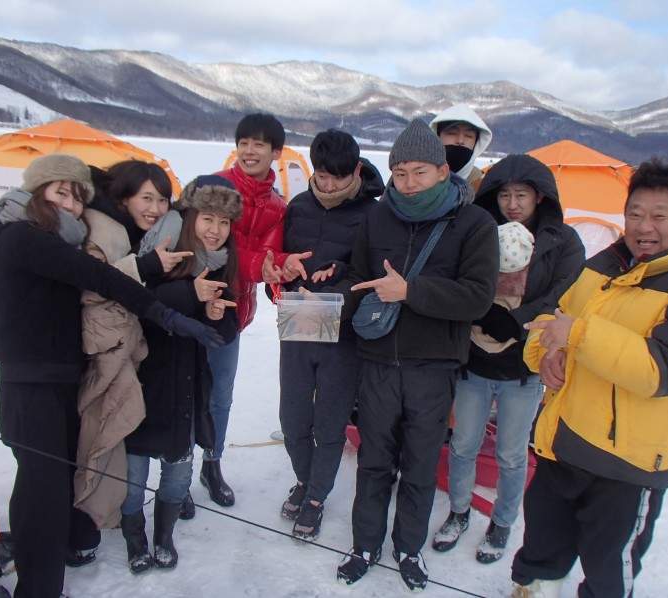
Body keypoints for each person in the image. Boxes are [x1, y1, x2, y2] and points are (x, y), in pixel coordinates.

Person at [0, 153, 224, 598]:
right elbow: (99, 277)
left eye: (76, 196)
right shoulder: (24, 237)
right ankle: (40, 588)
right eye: (60, 192)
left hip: (57, 380)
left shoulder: (52, 238)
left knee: (51, 483)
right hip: (29, 385)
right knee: (42, 491)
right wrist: (165, 313)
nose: (70, 204)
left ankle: (55, 553)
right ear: (37, 192)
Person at [511, 158, 668, 597]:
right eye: (635, 214)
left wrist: (578, 335)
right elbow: (555, 320)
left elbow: (662, 371)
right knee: (540, 550)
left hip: (627, 469)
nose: (644, 227)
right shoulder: (606, 265)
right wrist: (547, 353)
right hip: (563, 444)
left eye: (659, 216)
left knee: (607, 572)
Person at [330, 119, 499, 591]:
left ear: (444, 171)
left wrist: (411, 291)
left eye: (419, 172)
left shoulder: (474, 224)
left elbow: (477, 297)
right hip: (379, 363)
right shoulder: (377, 218)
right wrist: (317, 295)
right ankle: (365, 543)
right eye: (400, 172)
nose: (408, 183)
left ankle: (409, 548)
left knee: (421, 465)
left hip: (434, 367)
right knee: (374, 461)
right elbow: (359, 279)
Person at [432, 154, 584, 563]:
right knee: (463, 444)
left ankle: (502, 522)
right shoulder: (479, 232)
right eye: (505, 195)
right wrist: (478, 310)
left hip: (523, 366)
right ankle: (459, 512)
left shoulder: (563, 241)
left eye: (522, 195)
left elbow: (565, 293)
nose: (513, 204)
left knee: (512, 453)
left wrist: (516, 320)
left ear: (540, 197)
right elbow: (458, 277)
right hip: (475, 360)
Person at [121, 175, 240, 574]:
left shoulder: (222, 265)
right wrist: (191, 295)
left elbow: (223, 333)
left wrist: (215, 316)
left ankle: (163, 535)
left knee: (177, 469)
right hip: (142, 385)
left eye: (224, 223)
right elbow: (140, 304)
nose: (215, 230)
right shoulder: (163, 255)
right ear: (189, 217)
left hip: (188, 386)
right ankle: (134, 536)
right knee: (133, 477)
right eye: (208, 218)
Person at [73, 161, 192, 534]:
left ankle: (95, 517)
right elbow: (89, 287)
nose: (156, 208)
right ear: (123, 196)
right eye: (147, 198)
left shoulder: (125, 229)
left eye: (162, 200)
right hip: (101, 350)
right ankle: (87, 523)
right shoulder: (100, 229)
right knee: (100, 432)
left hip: (118, 345)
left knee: (108, 431)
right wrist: (146, 266)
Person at [276, 130, 383, 540]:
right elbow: (283, 258)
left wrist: (336, 281)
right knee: (293, 416)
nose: (330, 186)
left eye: (339, 178)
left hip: (341, 325)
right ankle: (304, 479)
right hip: (299, 316)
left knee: (330, 420)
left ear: (356, 171)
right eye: (322, 176)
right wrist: (284, 269)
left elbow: (369, 275)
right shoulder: (299, 206)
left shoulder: (373, 213)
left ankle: (317, 497)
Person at [206, 113, 311, 506]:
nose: (249, 151)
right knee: (186, 393)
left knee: (220, 395)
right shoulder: (216, 190)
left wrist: (284, 269)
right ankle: (176, 474)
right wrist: (260, 265)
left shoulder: (276, 205)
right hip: (196, 301)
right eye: (244, 142)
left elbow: (270, 254)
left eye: (259, 144)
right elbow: (216, 247)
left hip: (234, 311)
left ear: (276, 152)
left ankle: (211, 463)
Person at [429, 104, 493, 192]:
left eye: (468, 135)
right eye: (452, 133)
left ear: (476, 142)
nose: (460, 140)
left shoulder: (480, 183)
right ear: (437, 136)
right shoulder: (418, 177)